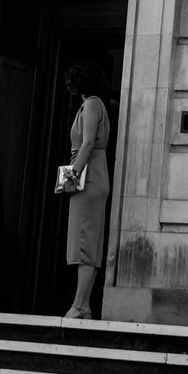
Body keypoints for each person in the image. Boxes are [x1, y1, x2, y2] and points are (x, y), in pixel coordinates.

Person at [61, 65, 114, 321]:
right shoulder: (98, 104)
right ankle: (84, 305)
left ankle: (80, 304)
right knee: (88, 240)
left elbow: (88, 142)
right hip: (94, 173)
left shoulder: (92, 104)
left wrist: (71, 175)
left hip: (88, 174)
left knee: (84, 242)